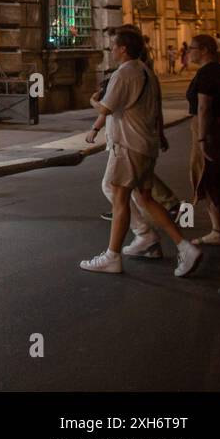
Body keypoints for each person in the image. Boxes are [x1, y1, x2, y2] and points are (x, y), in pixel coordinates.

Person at [79, 30, 203, 277]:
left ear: (123, 48)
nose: (111, 50)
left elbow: (106, 106)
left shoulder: (124, 74)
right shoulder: (146, 71)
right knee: (145, 197)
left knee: (119, 196)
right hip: (146, 145)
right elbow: (156, 107)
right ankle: (180, 245)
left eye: (113, 46)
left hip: (128, 145)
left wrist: (93, 101)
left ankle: (112, 256)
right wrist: (161, 135)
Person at [185, 34, 220, 245]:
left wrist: (201, 139)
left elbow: (204, 107)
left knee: (207, 177)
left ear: (205, 49)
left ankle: (218, 230)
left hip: (209, 131)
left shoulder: (206, 74)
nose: (189, 51)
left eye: (192, 47)